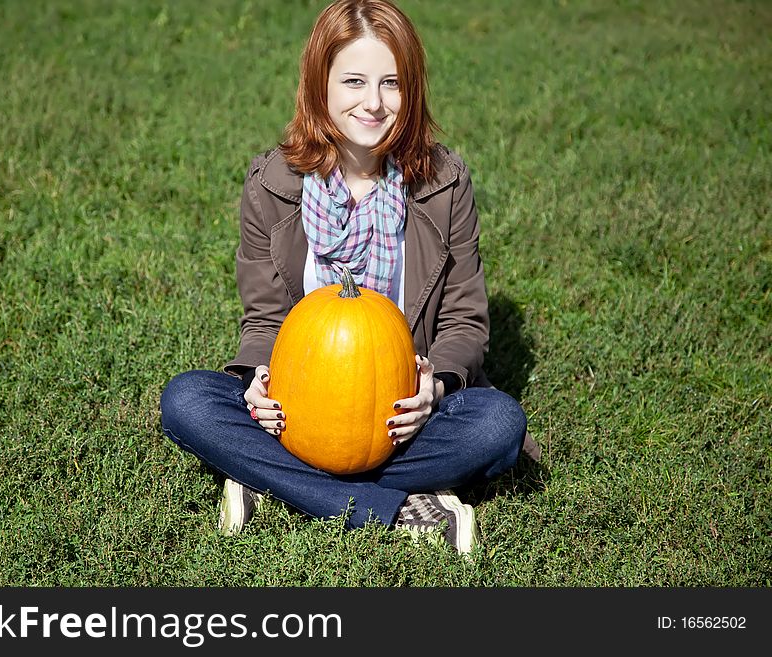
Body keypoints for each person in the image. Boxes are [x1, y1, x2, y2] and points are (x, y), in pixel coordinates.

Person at [160, 0, 535, 556]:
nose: (374, 103)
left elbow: (464, 320)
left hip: (402, 417)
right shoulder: (273, 183)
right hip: (299, 414)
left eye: (392, 83)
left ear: (412, 90)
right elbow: (265, 315)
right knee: (186, 401)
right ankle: (403, 509)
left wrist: (436, 386)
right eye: (354, 81)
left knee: (498, 425)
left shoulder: (443, 182)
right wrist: (262, 379)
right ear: (321, 85)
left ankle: (274, 483)